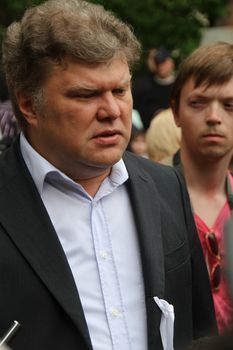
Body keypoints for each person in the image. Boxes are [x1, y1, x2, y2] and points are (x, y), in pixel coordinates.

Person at [0, 0, 217, 349]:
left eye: (120, 90)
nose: (113, 111)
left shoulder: (166, 185)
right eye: (86, 95)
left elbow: (199, 330)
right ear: (29, 105)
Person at [170, 41, 233, 333]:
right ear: (176, 111)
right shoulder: (144, 201)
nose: (214, 117)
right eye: (198, 103)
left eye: (230, 105)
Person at [132, 47, 175, 130]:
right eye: (158, 62)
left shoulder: (179, 86)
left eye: (163, 62)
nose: (161, 65)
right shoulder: (144, 84)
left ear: (171, 62)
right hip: (145, 132)